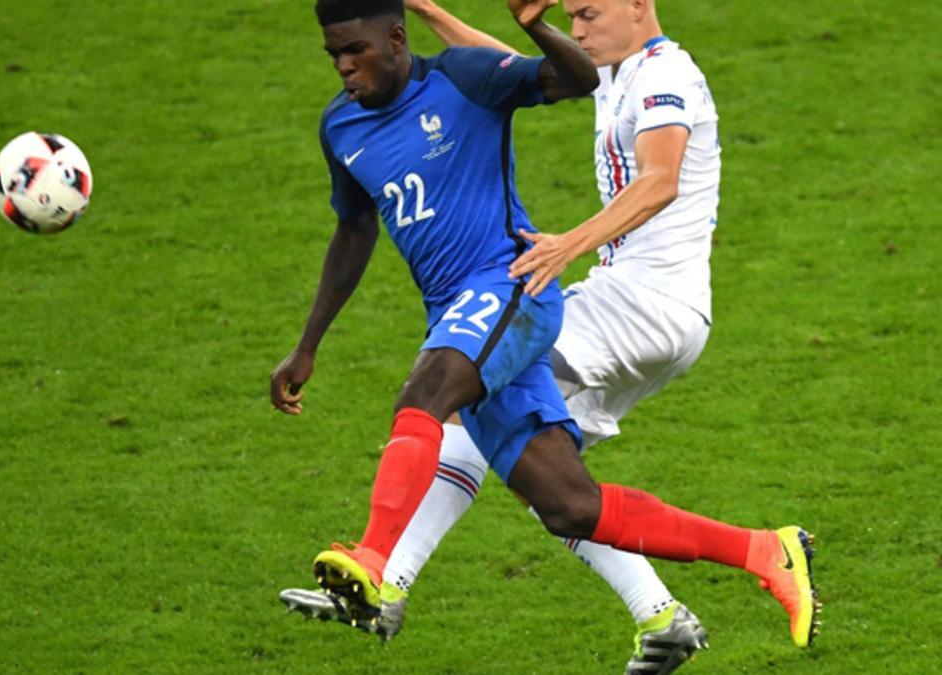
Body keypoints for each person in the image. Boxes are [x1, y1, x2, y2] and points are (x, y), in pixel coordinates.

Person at [271, 0, 819, 666]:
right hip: (623, 300)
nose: (578, 28)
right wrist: (432, 11)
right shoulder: (613, 70)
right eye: (571, 17)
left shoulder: (663, 73)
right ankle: (759, 553)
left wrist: (566, 246)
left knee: (435, 395)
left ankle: (380, 567)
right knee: (562, 500)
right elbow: (491, 72)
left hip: (624, 299)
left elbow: (660, 180)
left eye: (586, 12)